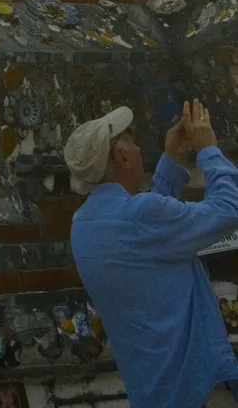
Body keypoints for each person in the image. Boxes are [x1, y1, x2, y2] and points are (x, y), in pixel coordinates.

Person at [66, 98, 238, 408]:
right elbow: (228, 210)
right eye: (131, 144)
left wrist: (173, 157)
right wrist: (209, 150)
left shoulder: (83, 225)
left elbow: (151, 235)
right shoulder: (140, 217)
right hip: (195, 388)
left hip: (151, 392)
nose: (137, 150)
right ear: (121, 157)